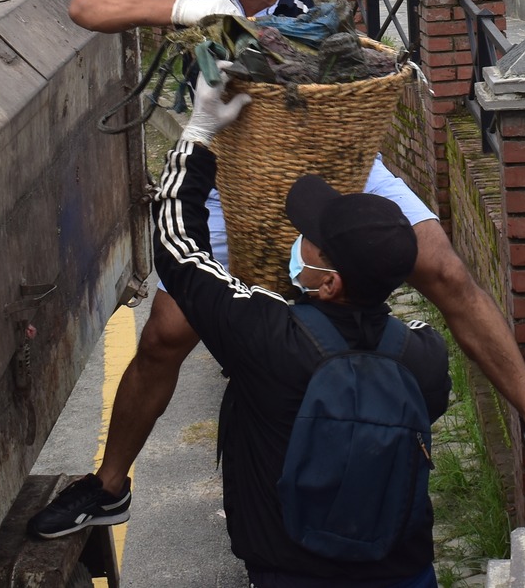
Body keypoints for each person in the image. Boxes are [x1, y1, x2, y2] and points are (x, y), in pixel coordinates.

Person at [30, 0, 525, 540]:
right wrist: (189, 13)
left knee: (443, 263)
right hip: (226, 169)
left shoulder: (315, 5)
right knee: (164, 333)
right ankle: (108, 485)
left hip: (334, 166)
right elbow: (88, 7)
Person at [145, 73, 449, 586]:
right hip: (406, 571)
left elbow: (179, 250)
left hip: (290, 571)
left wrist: (198, 132)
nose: (298, 238)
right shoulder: (424, 355)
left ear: (329, 283)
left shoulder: (265, 338)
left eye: (309, 238)